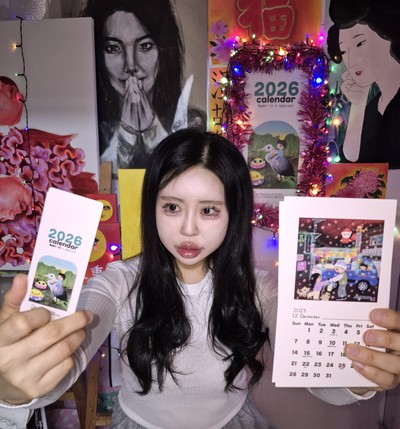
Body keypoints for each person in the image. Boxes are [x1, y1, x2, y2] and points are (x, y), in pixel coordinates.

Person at [1, 129, 400, 429]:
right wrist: (13, 389)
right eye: (172, 207)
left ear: (233, 215)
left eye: (209, 211)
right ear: (152, 207)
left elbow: (324, 383)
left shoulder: (261, 288)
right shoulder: (118, 283)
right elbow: (64, 363)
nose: (188, 229)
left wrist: (360, 373)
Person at [82, 0, 206, 176]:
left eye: (144, 46)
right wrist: (127, 134)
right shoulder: (92, 127)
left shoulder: (192, 123)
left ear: (162, 52)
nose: (131, 65)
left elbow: (185, 181)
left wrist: (151, 131)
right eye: (113, 48)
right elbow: (91, 182)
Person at [327, 0, 400, 168]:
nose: (351, 61)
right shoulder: (374, 106)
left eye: (360, 43)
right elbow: (352, 164)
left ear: (388, 36)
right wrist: (358, 106)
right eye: (344, 51)